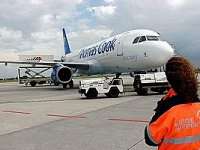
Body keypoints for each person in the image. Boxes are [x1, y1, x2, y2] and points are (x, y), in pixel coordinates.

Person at [144, 56, 200, 149]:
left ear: (169, 80)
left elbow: (150, 139)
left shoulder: (168, 109)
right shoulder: (198, 105)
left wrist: (160, 109)